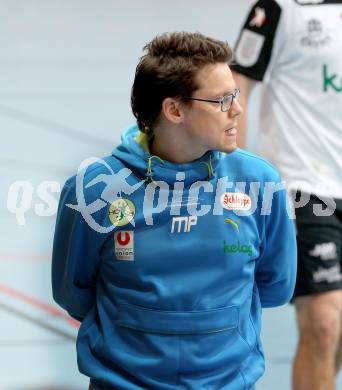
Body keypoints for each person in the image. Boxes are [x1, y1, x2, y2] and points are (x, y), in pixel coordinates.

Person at [52, 31, 296, 390]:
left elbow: (277, 285)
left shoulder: (260, 183)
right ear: (174, 109)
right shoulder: (94, 189)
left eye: (236, 94)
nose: (238, 109)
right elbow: (73, 291)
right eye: (221, 100)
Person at [231, 1, 342, 389]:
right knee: (324, 321)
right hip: (304, 186)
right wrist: (236, 178)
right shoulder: (278, 8)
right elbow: (238, 82)